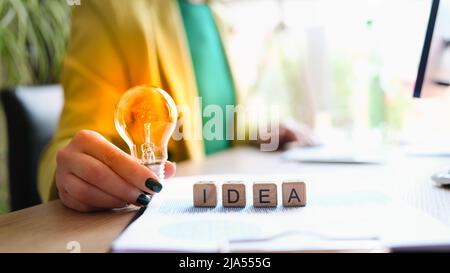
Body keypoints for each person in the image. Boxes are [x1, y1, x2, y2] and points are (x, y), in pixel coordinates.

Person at [38, 0, 313, 212]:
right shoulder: (111, 8)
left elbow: (211, 129)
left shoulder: (216, 17)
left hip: (220, 208)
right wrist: (67, 177)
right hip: (153, 217)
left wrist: (259, 134)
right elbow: (68, 148)